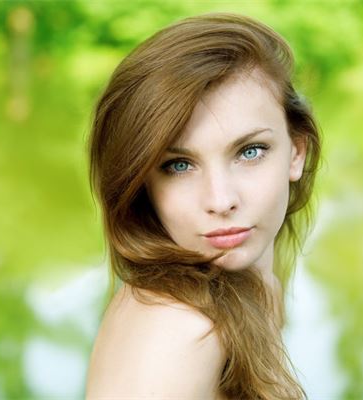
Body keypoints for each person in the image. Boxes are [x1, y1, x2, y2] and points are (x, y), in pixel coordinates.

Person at [85, 12, 321, 400]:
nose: (221, 200)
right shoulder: (180, 331)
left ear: (296, 152)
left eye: (250, 151)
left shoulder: (256, 291)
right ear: (142, 182)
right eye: (179, 165)